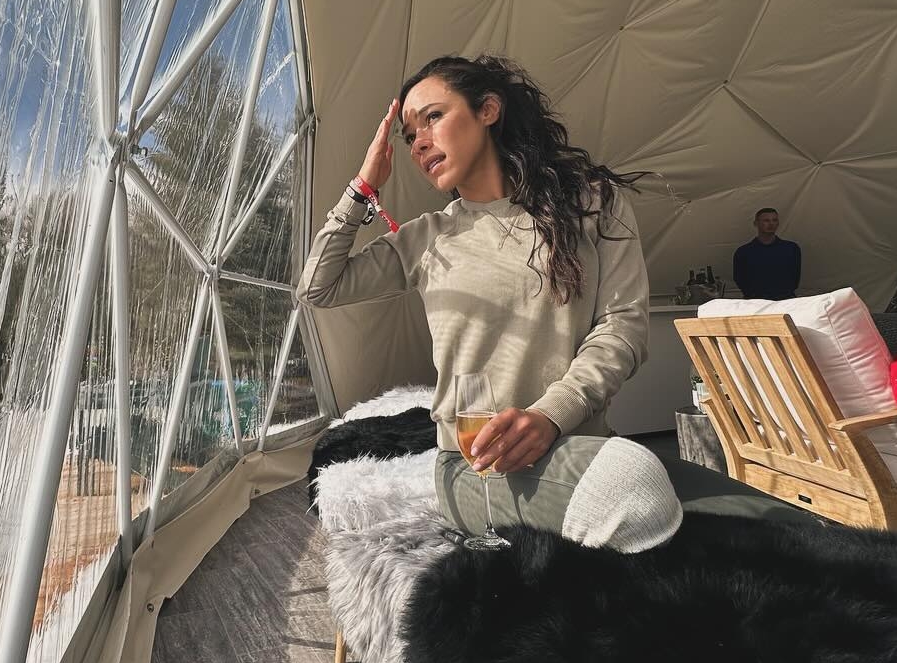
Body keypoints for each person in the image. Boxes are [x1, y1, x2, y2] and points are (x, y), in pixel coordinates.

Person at [298, 55, 807, 554]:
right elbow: (317, 286)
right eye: (409, 136)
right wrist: (363, 187)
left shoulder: (593, 204)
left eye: (433, 117)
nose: (419, 143)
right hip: (478, 469)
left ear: (488, 109)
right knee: (636, 488)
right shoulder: (427, 237)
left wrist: (550, 415)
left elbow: (622, 328)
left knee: (783, 522)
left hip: (583, 445)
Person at [732, 208, 802, 300]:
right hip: (755, 301)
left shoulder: (791, 249)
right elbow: (740, 279)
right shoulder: (744, 252)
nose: (771, 224)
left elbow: (795, 278)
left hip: (785, 300)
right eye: (766, 220)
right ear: (756, 223)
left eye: (774, 220)